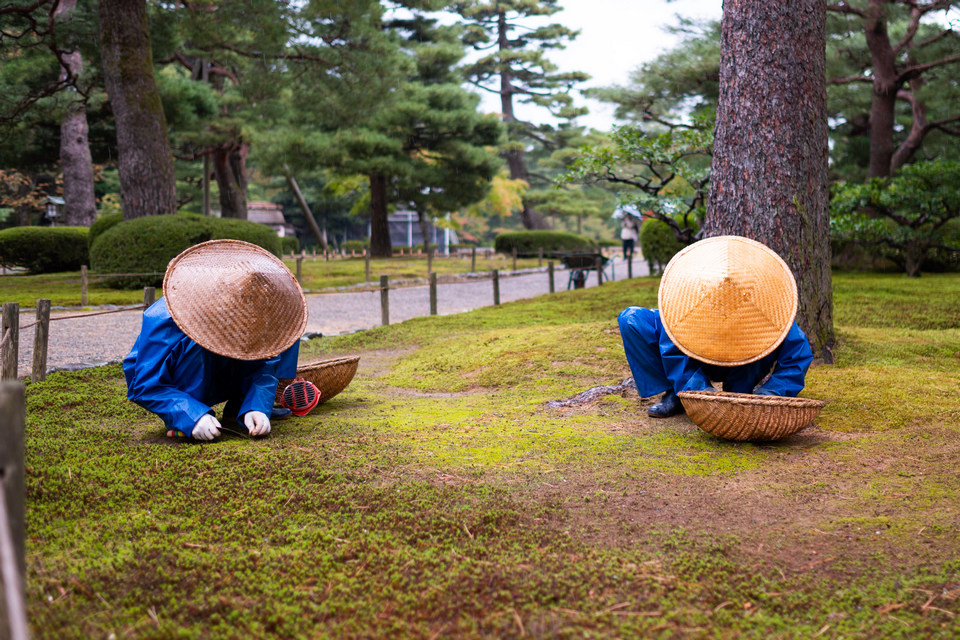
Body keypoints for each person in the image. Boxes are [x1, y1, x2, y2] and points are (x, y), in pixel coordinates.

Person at [123, 239, 308, 440]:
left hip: (223, 370)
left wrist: (257, 406)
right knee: (196, 348)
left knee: (282, 337)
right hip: (187, 373)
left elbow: (266, 362)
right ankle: (184, 417)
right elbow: (143, 384)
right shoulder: (166, 318)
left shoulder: (261, 316)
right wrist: (189, 414)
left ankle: (241, 407)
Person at [618, 235, 814, 418]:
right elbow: (672, 351)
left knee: (741, 394)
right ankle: (677, 393)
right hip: (695, 359)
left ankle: (738, 392)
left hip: (744, 366)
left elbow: (798, 355)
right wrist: (698, 392)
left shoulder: (769, 314)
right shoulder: (682, 310)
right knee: (631, 319)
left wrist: (771, 394)